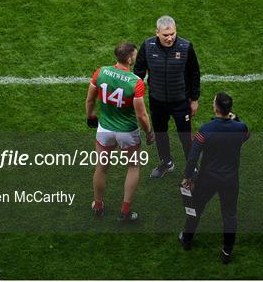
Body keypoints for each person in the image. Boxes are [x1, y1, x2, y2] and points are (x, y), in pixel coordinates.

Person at [85, 41, 155, 222]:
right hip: (127, 132)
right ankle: (125, 211)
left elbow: (90, 100)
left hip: (105, 129)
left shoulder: (100, 72)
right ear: (130, 58)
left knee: (101, 168)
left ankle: (98, 205)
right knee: (133, 167)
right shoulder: (136, 82)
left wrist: (90, 117)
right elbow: (142, 115)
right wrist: (148, 132)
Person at [179, 92, 249, 264]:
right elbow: (246, 135)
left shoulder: (206, 129)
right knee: (229, 215)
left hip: (207, 178)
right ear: (230, 109)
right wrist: (236, 118)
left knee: (196, 208)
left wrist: (188, 176)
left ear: (216, 108)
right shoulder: (240, 128)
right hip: (230, 179)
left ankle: (187, 239)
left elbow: (193, 156)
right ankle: (227, 250)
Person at [134, 15, 201, 179]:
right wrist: (134, 95)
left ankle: (191, 167)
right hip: (157, 101)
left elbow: (194, 74)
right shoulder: (148, 46)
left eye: (172, 34)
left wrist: (194, 99)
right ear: (157, 32)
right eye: (165, 35)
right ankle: (166, 162)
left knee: (185, 136)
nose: (170, 38)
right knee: (160, 134)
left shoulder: (186, 47)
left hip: (180, 101)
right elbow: (138, 73)